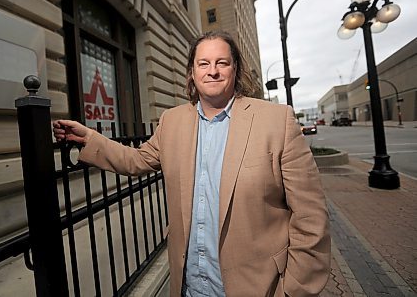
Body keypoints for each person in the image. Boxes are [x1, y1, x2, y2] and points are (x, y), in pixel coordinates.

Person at [53, 30, 330, 296]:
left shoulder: (276, 120)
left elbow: (310, 217)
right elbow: (136, 160)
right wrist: (89, 138)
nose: (213, 71)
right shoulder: (172, 121)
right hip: (191, 285)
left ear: (236, 69)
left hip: (259, 286)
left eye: (222, 62)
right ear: (192, 72)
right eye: (203, 63)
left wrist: (296, 290)